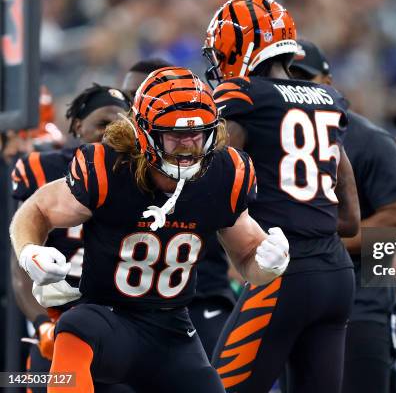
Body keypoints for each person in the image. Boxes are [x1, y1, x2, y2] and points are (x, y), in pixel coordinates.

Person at [10, 67, 290, 393]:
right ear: (144, 133)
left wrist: (269, 263)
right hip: (110, 318)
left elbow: (248, 260)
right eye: (175, 136)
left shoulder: (225, 173)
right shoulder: (109, 167)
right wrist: (31, 250)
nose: (187, 147)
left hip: (173, 329)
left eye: (197, 134)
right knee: (74, 326)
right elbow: (37, 209)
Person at [203, 0, 360, 393]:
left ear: (240, 47)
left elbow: (216, 175)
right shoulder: (328, 99)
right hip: (336, 274)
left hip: (282, 269)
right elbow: (350, 218)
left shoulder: (243, 96)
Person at [290, 39, 396, 393]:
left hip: (359, 304)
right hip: (293, 300)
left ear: (328, 84)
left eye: (305, 78)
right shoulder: (275, 139)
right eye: (287, 79)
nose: (297, 89)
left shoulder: (367, 139)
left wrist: (321, 244)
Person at [10, 84, 131, 393]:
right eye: (102, 124)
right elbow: (20, 267)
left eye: (121, 124)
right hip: (59, 315)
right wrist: (42, 325)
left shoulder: (140, 175)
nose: (111, 133)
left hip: (119, 321)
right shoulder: (43, 168)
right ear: (78, 125)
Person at [121, 58, 238, 356]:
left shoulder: (219, 164)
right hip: (128, 310)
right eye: (126, 99)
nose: (128, 110)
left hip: (202, 298)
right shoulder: (110, 165)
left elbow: (356, 223)